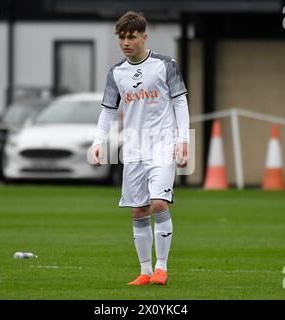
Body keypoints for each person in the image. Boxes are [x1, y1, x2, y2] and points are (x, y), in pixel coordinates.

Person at [91, 11, 190, 286]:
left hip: (163, 146)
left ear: (144, 37)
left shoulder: (165, 65)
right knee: (138, 210)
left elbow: (180, 103)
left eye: (131, 37)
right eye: (121, 37)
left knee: (159, 202)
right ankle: (145, 271)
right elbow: (108, 111)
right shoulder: (116, 73)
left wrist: (184, 141)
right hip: (133, 150)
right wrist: (98, 142)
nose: (126, 42)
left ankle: (161, 267)